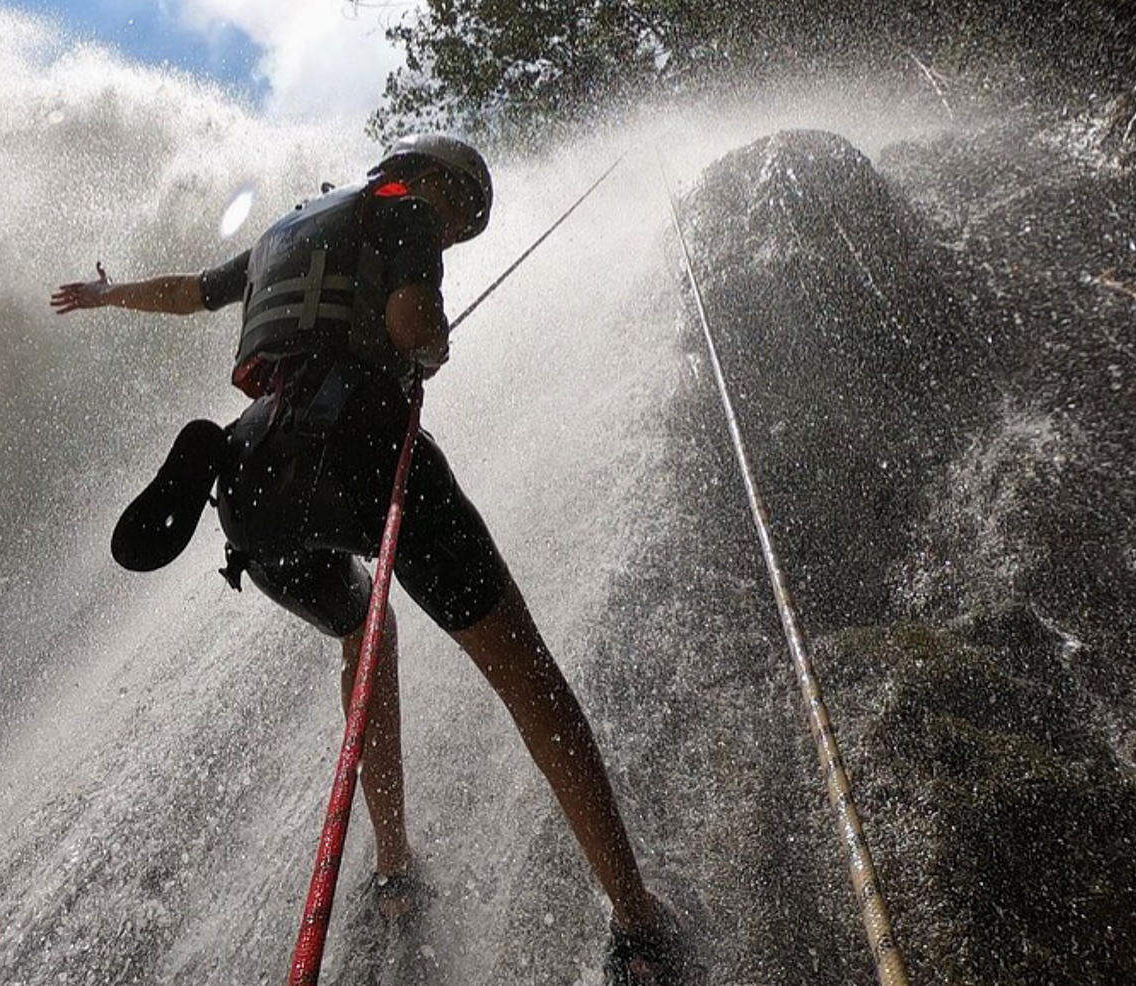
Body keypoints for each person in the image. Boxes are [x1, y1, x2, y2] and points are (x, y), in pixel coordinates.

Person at [51, 134, 691, 985]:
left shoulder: (287, 228)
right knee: (528, 676)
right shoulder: (406, 208)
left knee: (364, 621)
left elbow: (190, 294)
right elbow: (412, 326)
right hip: (361, 453)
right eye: (464, 217)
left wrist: (105, 294)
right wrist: (427, 352)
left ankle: (392, 868)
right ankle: (637, 922)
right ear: (432, 178)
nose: (456, 235)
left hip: (251, 484)